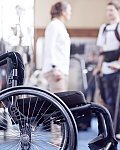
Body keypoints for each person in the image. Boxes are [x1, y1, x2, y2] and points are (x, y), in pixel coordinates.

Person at [93, 2, 120, 136]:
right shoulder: (104, 28)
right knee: (108, 100)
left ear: (117, 11)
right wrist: (98, 67)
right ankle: (112, 130)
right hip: (105, 68)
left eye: (111, 10)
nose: (109, 13)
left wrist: (119, 64)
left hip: (118, 69)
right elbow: (102, 51)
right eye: (107, 10)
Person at [42, 1, 72, 146]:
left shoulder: (58, 25)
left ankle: (58, 137)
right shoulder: (54, 25)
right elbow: (50, 48)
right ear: (63, 11)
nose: (70, 13)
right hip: (56, 71)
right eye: (69, 10)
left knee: (60, 105)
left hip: (60, 70)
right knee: (58, 106)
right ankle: (56, 139)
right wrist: (55, 68)